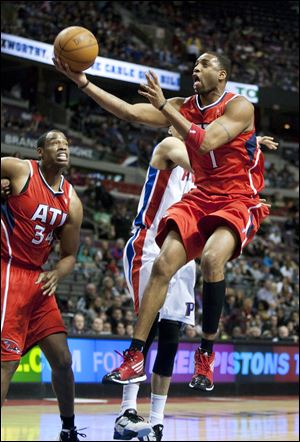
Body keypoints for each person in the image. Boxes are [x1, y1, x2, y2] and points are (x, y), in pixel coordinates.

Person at [104, 126, 196, 442]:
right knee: (149, 326)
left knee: (171, 336)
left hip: (184, 250)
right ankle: (126, 413)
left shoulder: (200, 166)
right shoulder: (171, 145)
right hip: (151, 242)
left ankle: (156, 421)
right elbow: (206, 165)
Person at [1, 130, 85, 441]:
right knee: (6, 362)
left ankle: (68, 428)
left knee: (63, 359)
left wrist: (58, 274)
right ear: (40, 152)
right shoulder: (19, 170)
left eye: (66, 141)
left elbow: (70, 255)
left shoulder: (72, 201)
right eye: (54, 142)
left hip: (38, 279)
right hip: (7, 270)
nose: (63, 145)